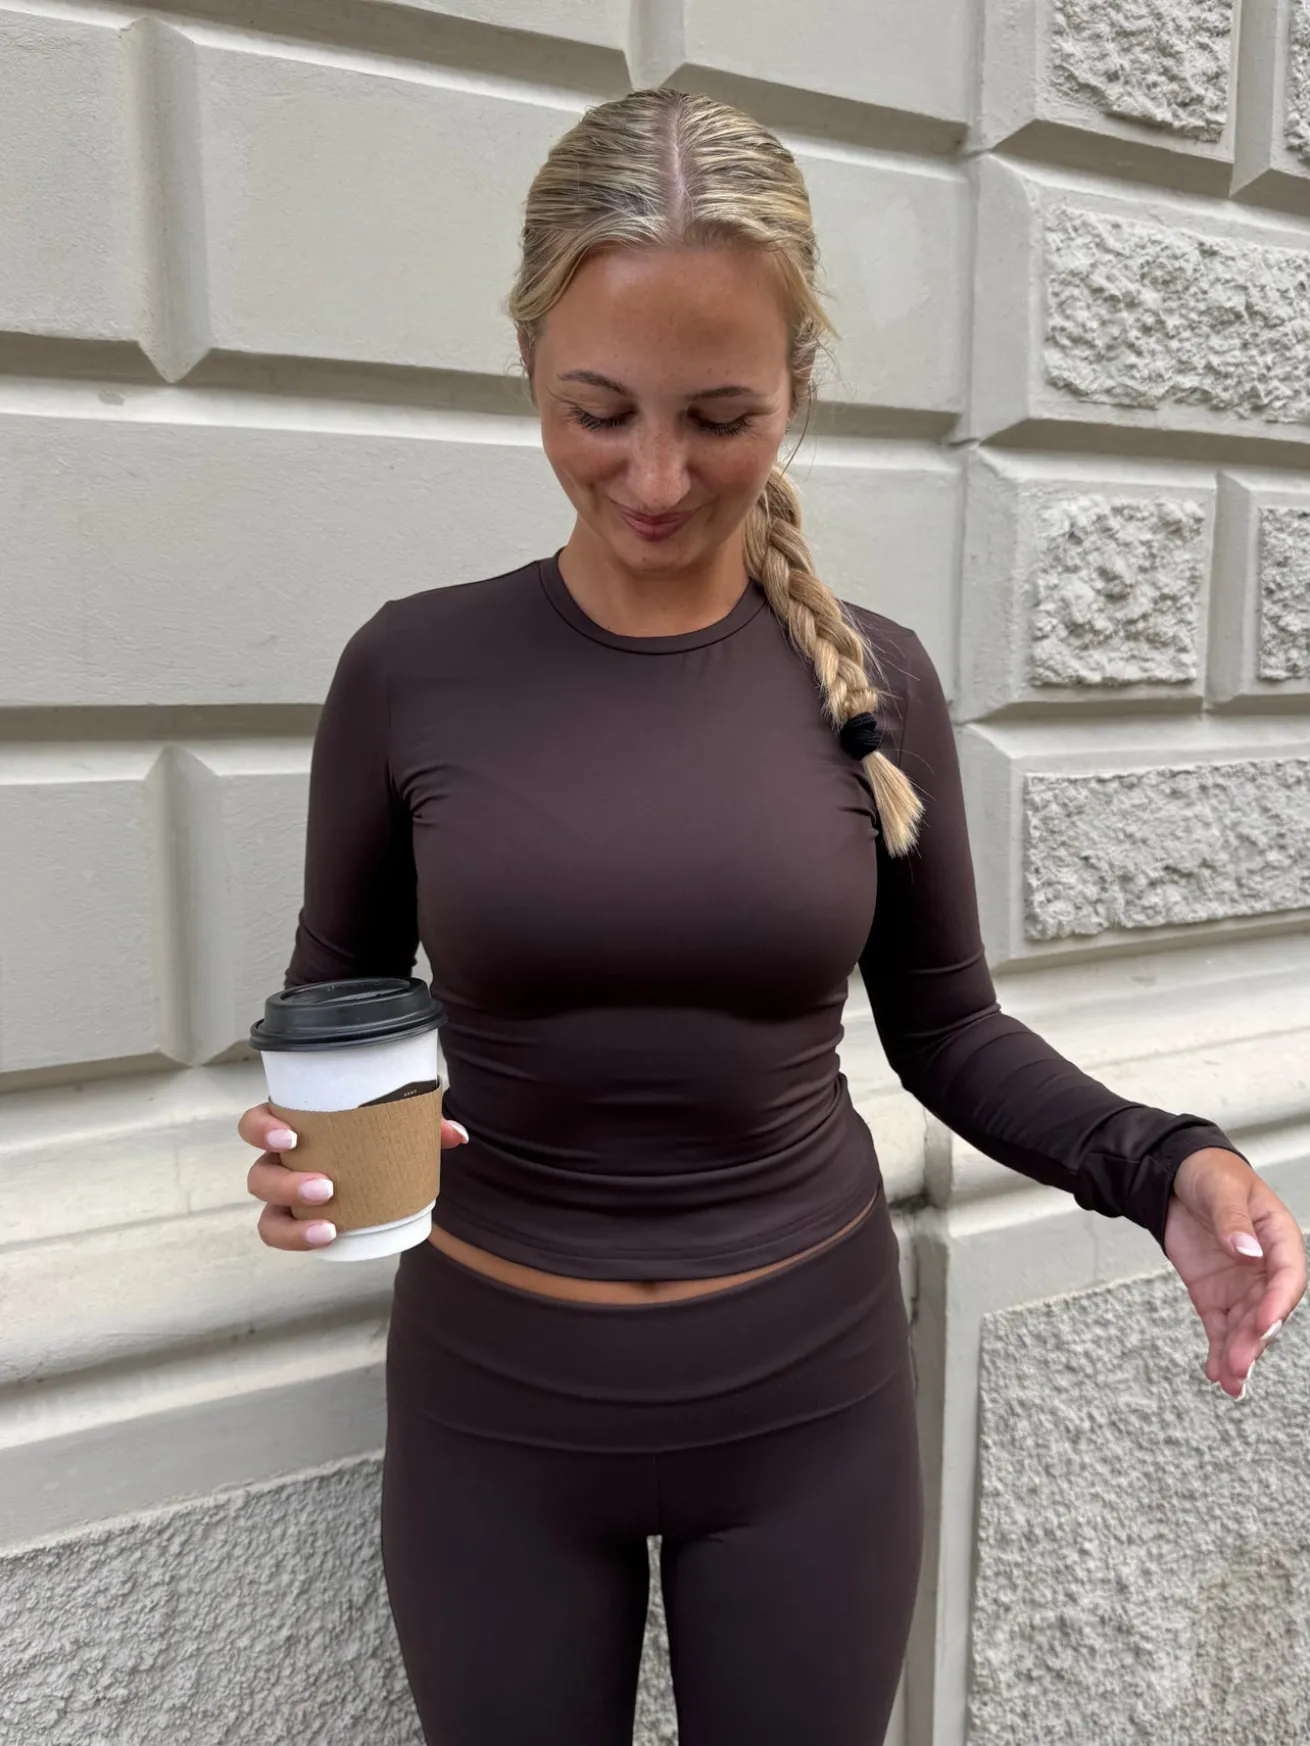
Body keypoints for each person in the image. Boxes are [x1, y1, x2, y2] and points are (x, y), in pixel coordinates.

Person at [238, 88, 1306, 1746]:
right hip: (492, 1413)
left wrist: (1160, 1165)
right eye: (598, 411)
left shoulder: (876, 685)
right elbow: (341, 997)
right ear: (527, 361)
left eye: (720, 416)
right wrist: (312, 1158)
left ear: (797, 386)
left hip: (808, 1410)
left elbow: (946, 1029)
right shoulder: (411, 670)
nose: (656, 476)